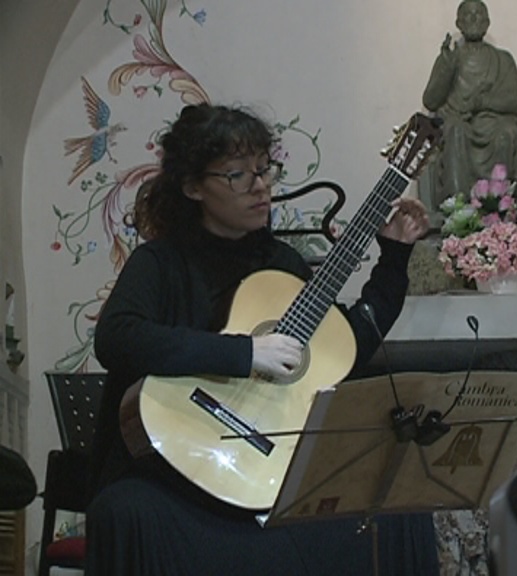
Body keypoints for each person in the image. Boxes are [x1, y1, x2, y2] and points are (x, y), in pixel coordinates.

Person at [86, 104, 438, 575]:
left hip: (265, 473)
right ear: (193, 187)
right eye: (237, 174)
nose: (260, 185)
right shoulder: (160, 263)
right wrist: (244, 353)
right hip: (172, 477)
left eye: (263, 169)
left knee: (399, 513)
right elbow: (116, 338)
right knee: (124, 511)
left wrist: (394, 256)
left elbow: (342, 351)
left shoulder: (283, 264)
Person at [421, 0, 517, 211]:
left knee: (504, 134)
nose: (473, 19)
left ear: (487, 22)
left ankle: (498, 207)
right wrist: (446, 69)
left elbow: (516, 103)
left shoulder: (502, 59)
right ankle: (457, 209)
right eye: (468, 15)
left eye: (478, 14)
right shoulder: (450, 58)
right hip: (459, 122)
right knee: (456, 131)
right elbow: (430, 101)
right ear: (458, 22)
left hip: (491, 123)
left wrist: (483, 102)